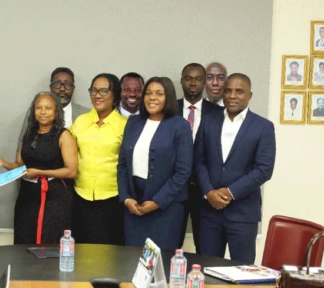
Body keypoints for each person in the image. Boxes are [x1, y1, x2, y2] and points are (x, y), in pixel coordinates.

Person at [195, 74, 276, 263]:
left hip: (243, 214)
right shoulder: (208, 120)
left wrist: (230, 192)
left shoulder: (263, 127)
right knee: (207, 268)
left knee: (242, 270)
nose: (232, 96)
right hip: (209, 212)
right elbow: (198, 160)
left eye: (239, 91)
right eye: (228, 91)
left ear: (250, 95)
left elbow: (264, 169)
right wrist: (209, 192)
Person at [118, 77, 193, 251]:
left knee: (160, 261)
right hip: (134, 205)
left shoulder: (180, 126)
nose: (152, 98)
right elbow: (122, 165)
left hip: (166, 207)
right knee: (132, 259)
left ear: (169, 97)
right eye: (148, 93)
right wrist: (126, 198)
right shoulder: (133, 122)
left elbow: (183, 172)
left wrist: (157, 202)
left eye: (159, 94)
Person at [0, 92, 77, 244]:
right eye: (38, 108)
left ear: (56, 112)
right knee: (25, 238)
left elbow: (71, 171)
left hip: (55, 199)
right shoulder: (29, 134)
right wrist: (3, 163)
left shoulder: (63, 135)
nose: (42, 112)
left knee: (49, 240)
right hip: (28, 197)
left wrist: (40, 172)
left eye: (48, 108)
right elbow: (19, 166)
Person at [70, 73, 128, 244]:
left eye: (104, 91)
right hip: (80, 196)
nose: (97, 95)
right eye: (94, 90)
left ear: (115, 95)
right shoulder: (81, 121)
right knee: (81, 249)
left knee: (108, 251)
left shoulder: (125, 125)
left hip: (112, 199)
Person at [177, 63, 219, 252]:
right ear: (181, 81)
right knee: (171, 243)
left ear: (205, 82)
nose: (193, 83)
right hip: (175, 188)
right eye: (188, 78)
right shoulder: (170, 109)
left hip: (205, 189)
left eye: (198, 79)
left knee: (205, 246)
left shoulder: (218, 112)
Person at [17, 67, 88, 144]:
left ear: (73, 88)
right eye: (57, 84)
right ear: (51, 87)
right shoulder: (37, 111)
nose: (62, 89)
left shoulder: (86, 114)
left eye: (67, 84)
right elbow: (23, 142)